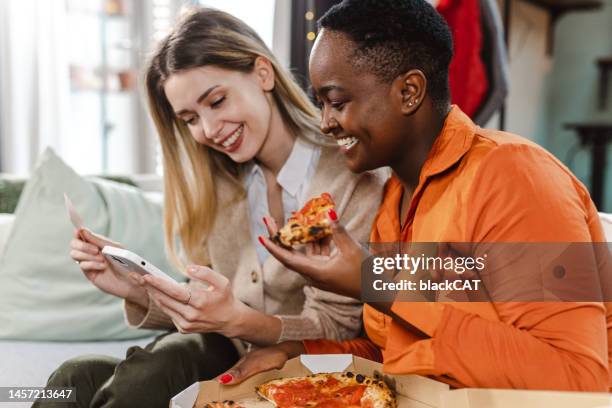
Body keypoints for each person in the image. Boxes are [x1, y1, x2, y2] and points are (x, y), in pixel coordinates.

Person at [217, 0, 612, 392]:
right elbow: (402, 353)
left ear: (409, 92)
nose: (325, 123)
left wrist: (376, 283)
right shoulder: (393, 198)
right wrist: (298, 353)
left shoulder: (515, 177)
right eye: (321, 104)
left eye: (337, 102)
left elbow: (579, 377)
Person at [35, 7, 385, 408]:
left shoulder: (351, 178)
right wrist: (138, 290)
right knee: (72, 376)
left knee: (165, 363)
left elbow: (337, 329)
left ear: (263, 74)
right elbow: (209, 310)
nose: (209, 130)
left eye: (217, 101)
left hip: (290, 368)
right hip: (211, 352)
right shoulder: (217, 185)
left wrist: (238, 320)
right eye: (190, 119)